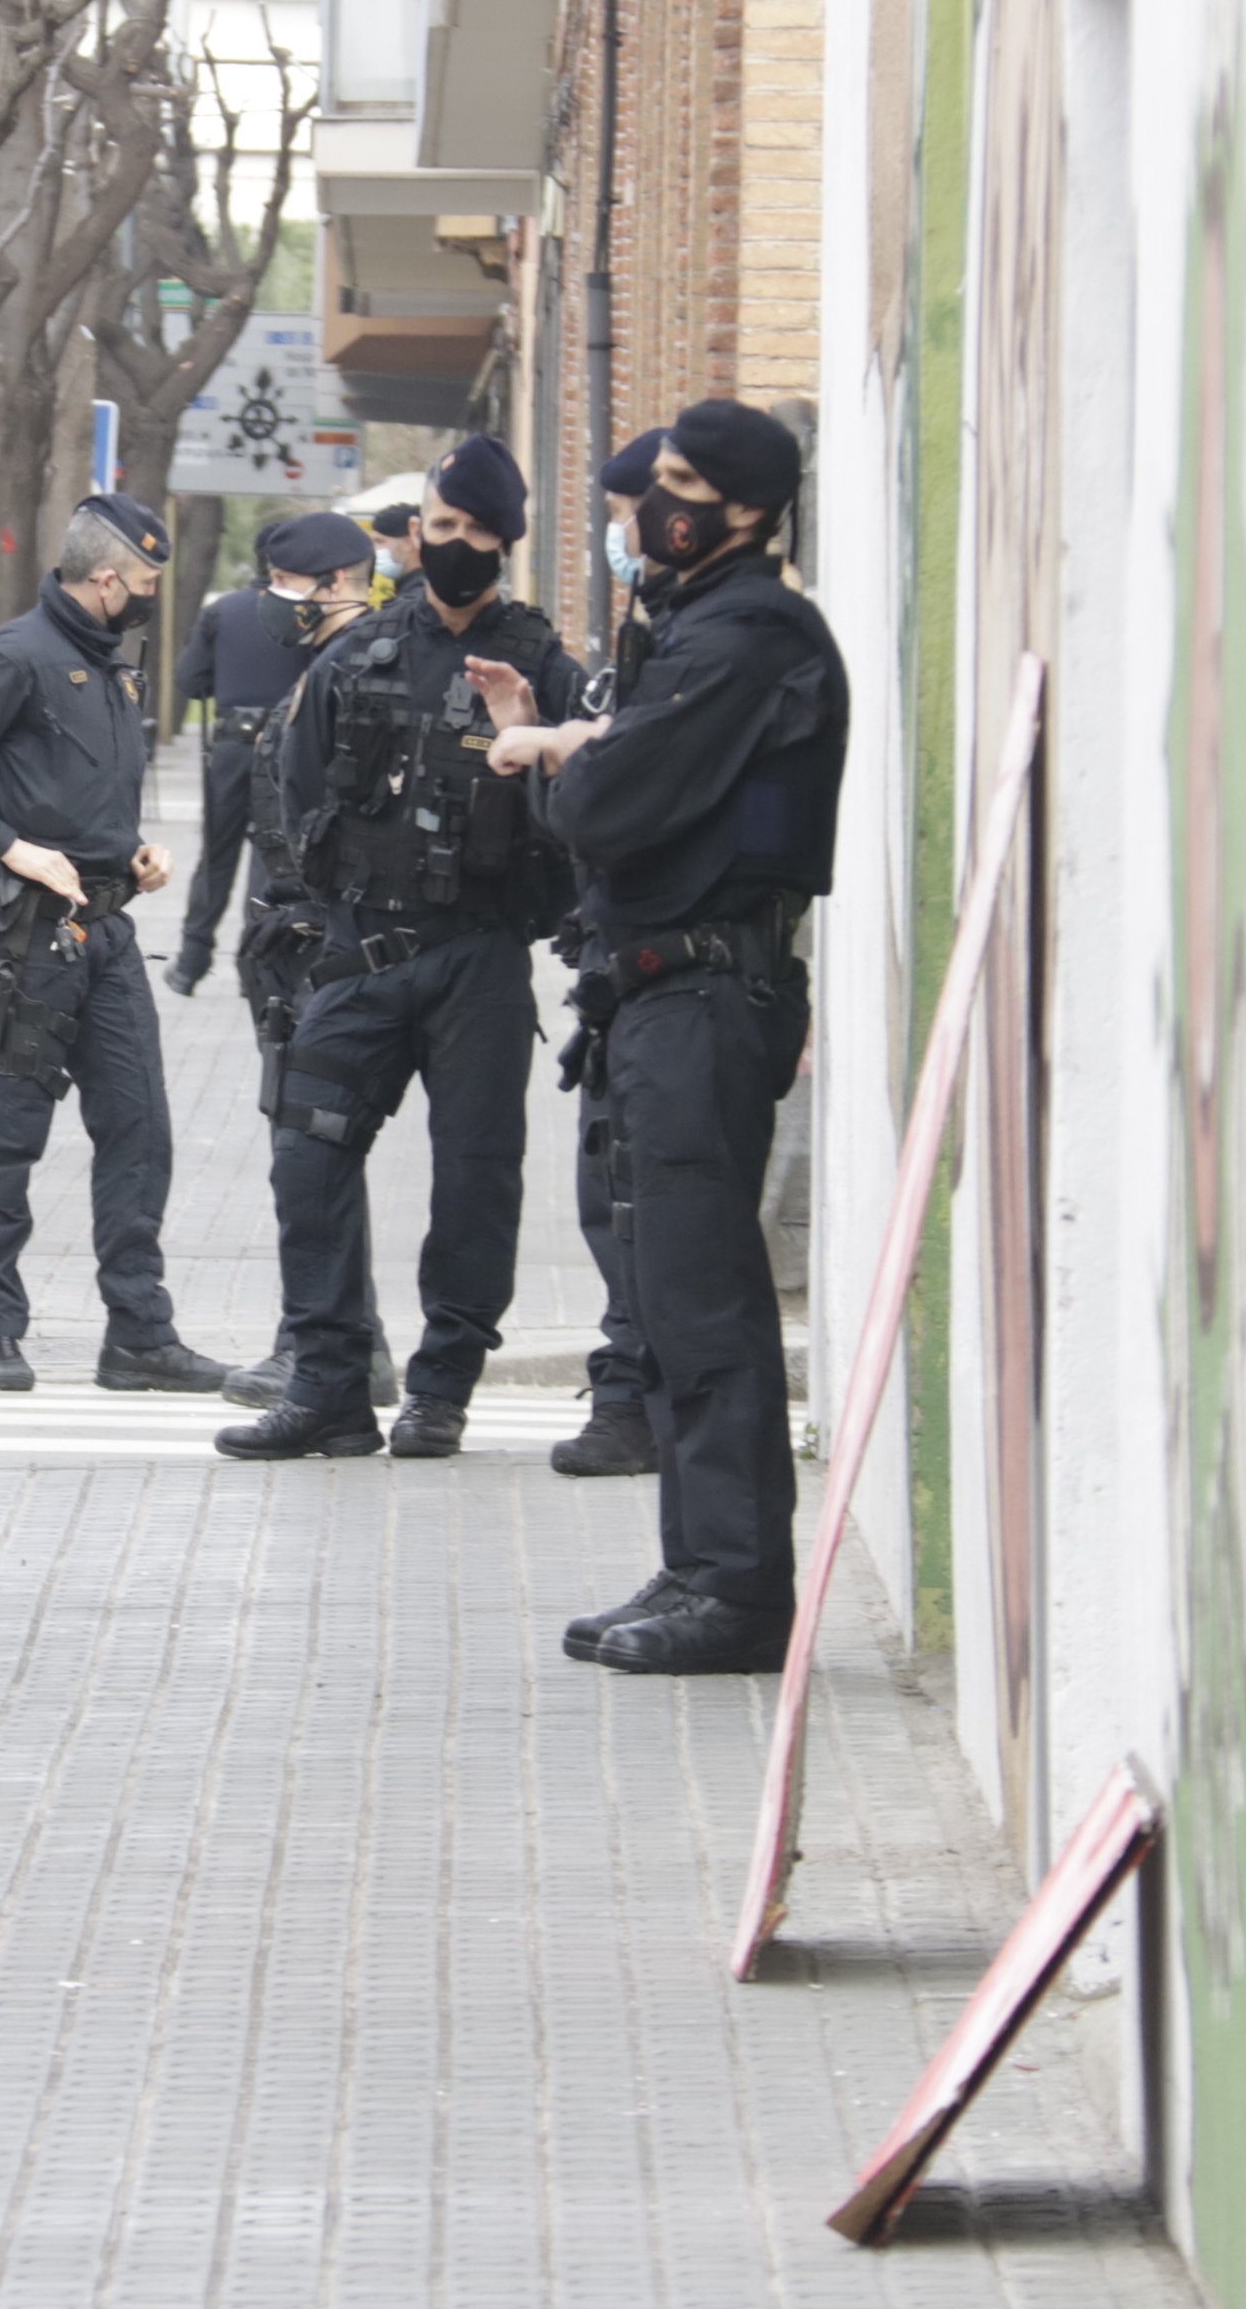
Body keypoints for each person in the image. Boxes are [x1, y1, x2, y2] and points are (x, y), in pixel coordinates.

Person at [475, 398, 847, 1675]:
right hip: (658, 996)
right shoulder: (694, 629)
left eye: (682, 483)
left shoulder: (749, 636)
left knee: (704, 1301)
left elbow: (610, 803)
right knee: (670, 1300)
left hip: (704, 993)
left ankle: (739, 1593)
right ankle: (699, 1566)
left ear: (745, 506)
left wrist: (584, 757)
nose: (653, 506)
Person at [215, 435, 585, 1463]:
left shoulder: (542, 667)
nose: (453, 545)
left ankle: (442, 1389)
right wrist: (294, 922)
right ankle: (330, 1384)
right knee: (308, 1156)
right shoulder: (359, 651)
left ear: (504, 542)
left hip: (480, 957)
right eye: (441, 526)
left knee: (476, 1178)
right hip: (360, 952)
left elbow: (586, 815)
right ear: (416, 529)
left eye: (474, 531)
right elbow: (292, 783)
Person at [0, 494, 228, 1398]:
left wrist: (134, 855)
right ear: (108, 579)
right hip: (30, 940)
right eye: (147, 580)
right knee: (12, 1136)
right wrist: (11, 847)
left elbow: (85, 796)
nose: (153, 594)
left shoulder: (113, 667)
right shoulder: (19, 657)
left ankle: (140, 1336)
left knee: (139, 1129)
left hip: (105, 933)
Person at [551, 425, 673, 1481]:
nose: (616, 538)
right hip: (617, 966)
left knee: (641, 1199)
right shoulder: (641, 644)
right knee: (611, 1195)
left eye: (627, 514)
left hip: (674, 974)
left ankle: (634, 1396)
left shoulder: (697, 647)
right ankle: (630, 1389)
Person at [165, 509, 371, 996]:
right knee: (270, 855)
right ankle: (254, 952)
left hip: (234, 745)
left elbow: (190, 679)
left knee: (216, 856)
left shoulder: (224, 611)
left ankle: (192, 959)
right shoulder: (310, 620)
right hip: (284, 742)